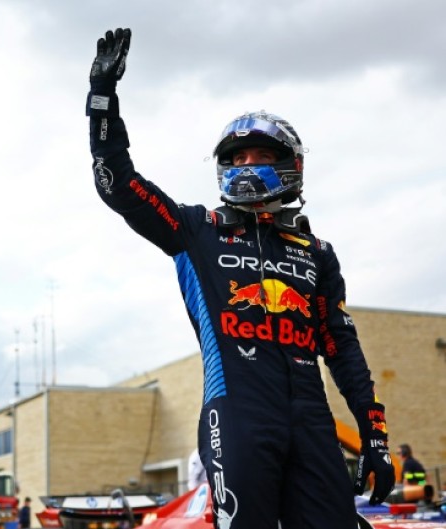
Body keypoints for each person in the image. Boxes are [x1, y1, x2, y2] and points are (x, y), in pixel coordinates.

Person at [85, 28, 395, 529]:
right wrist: (102, 100)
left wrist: (373, 435)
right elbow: (118, 184)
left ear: (291, 165)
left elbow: (342, 348)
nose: (247, 165)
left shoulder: (317, 252)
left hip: (311, 420)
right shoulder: (193, 230)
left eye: (263, 156)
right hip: (238, 414)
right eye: (237, 158)